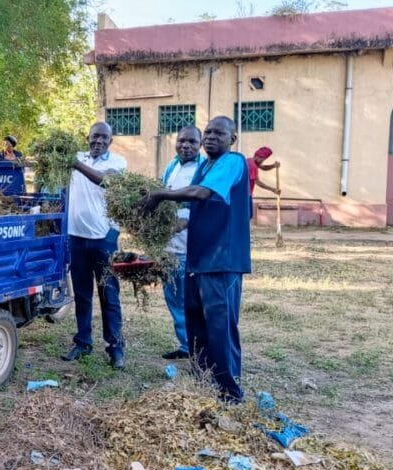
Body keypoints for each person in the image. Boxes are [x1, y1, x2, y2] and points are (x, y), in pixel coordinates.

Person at [139, 116, 251, 403]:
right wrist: (157, 226)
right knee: (196, 324)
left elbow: (200, 194)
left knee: (220, 326)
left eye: (219, 133)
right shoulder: (205, 166)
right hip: (197, 258)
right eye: (209, 132)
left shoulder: (234, 161)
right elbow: (192, 207)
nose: (212, 137)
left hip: (222, 259)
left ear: (232, 139)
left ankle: (229, 393)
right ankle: (203, 383)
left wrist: (161, 195)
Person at [61, 121, 127, 370]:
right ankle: (83, 342)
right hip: (75, 237)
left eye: (103, 138)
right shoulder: (76, 156)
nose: (98, 141)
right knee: (82, 294)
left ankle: (116, 348)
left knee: (109, 294)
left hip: (104, 238)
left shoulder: (118, 163)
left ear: (110, 141)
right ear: (87, 137)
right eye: (94, 137)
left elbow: (106, 182)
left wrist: (76, 165)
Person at [160, 126, 204, 360]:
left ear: (200, 145)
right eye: (181, 141)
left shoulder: (203, 168)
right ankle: (186, 345)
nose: (185, 145)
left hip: (188, 247)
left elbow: (197, 206)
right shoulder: (172, 166)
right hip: (167, 246)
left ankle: (197, 346)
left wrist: (177, 225)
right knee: (173, 297)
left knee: (189, 300)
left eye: (191, 142)